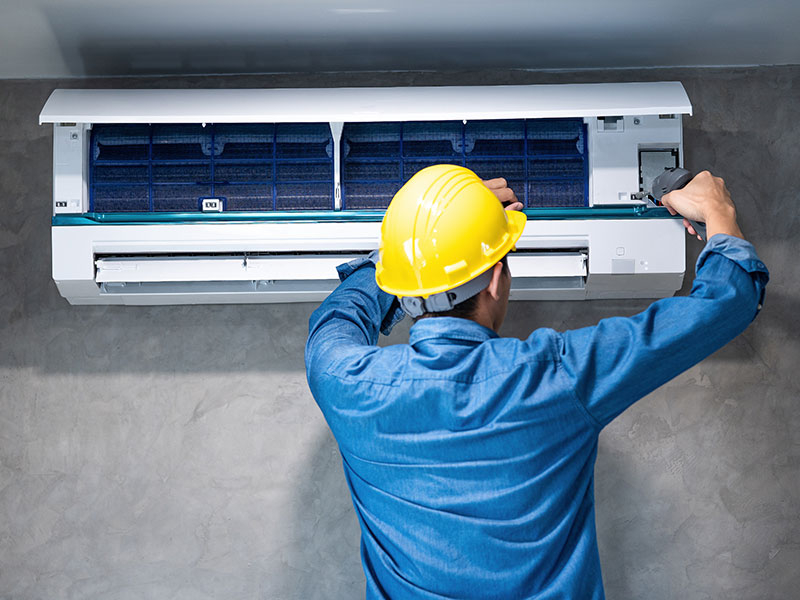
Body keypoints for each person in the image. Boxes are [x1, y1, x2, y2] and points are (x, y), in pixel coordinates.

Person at [305, 164, 768, 599]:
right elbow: (727, 301)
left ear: (403, 288)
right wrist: (718, 211)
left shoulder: (343, 380)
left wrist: (428, 238)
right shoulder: (557, 375)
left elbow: (338, 314)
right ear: (496, 281)